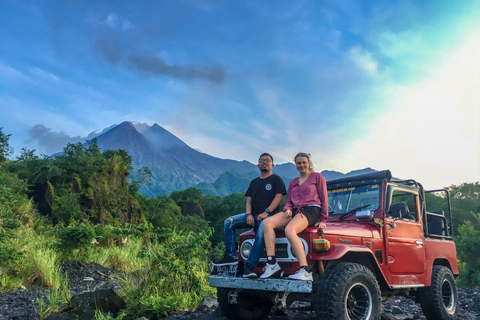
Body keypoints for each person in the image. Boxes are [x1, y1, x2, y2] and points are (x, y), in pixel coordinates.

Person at [212, 153, 287, 278]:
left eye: (267, 160)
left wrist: (266, 212)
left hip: (270, 217)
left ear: (272, 165)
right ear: (258, 165)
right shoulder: (254, 182)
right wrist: (248, 214)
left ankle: (249, 267)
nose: (264, 162)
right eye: (262, 160)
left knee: (260, 233)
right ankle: (230, 256)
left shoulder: (276, 179)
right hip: (253, 215)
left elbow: (278, 198)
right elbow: (249, 200)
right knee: (229, 222)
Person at [260, 152, 328, 280]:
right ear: (295, 165)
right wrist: (287, 209)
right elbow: (288, 201)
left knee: (290, 230)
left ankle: (305, 270)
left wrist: (323, 219)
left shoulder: (317, 177)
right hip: (296, 210)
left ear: (308, 163)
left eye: (304, 162)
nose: (301, 165)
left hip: (312, 209)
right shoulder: (293, 183)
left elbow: (324, 198)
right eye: (298, 163)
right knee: (267, 223)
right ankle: (272, 264)